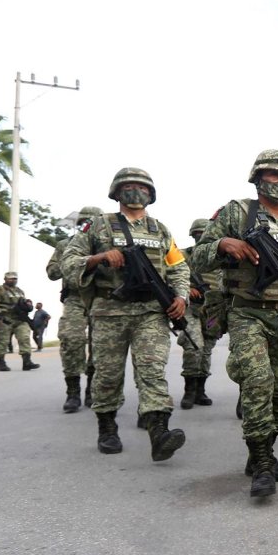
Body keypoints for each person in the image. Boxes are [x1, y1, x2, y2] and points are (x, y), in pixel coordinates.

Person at [191, 150, 278, 497]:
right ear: (258, 178)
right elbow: (196, 255)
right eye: (274, 175)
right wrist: (224, 244)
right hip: (248, 312)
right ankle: (263, 462)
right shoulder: (236, 212)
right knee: (257, 382)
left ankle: (262, 451)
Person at [61, 167, 189, 463]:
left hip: (151, 313)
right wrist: (98, 258)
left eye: (142, 187)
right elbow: (68, 263)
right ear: (117, 192)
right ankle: (107, 426)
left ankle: (159, 433)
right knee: (107, 374)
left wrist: (181, 296)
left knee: (153, 371)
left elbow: (179, 267)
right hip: (109, 311)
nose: (136, 191)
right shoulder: (97, 227)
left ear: (151, 194)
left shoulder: (160, 230)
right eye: (129, 186)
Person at [47, 206, 103, 412]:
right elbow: (52, 272)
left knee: (101, 346)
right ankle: (72, 391)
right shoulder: (65, 245)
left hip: (101, 299)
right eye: (84, 223)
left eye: (92, 223)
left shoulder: (107, 245)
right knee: (71, 339)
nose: (87, 227)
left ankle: (91, 390)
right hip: (75, 298)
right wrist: (75, 260)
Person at [178, 218, 221, 410]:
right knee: (194, 345)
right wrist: (187, 289)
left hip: (212, 311)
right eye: (198, 235)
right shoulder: (182, 256)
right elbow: (170, 276)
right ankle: (189, 390)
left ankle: (200, 390)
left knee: (206, 350)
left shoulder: (220, 260)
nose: (201, 238)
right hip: (191, 310)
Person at [0, 273, 39, 371]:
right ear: (5, 279)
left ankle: (27, 362)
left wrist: (28, 306)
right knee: (3, 341)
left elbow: (23, 303)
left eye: (15, 279)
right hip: (5, 319)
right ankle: (1, 363)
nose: (13, 280)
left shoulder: (20, 291)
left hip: (19, 319)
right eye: (10, 279)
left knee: (24, 337)